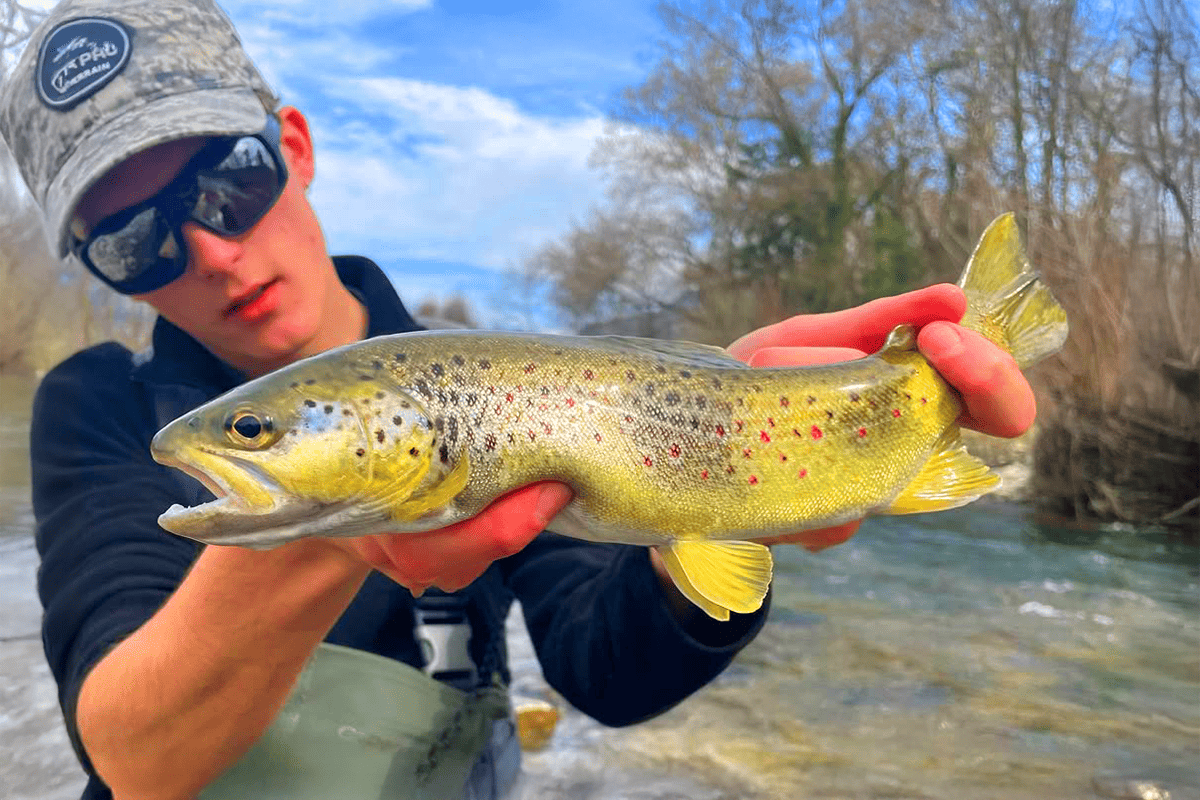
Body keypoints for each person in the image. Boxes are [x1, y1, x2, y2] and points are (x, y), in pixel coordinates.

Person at [0, 1, 1037, 799]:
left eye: (225, 182)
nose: (211, 251)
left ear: (296, 149)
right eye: (132, 241)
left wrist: (718, 487)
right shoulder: (101, 406)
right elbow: (134, 755)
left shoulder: (507, 380)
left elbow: (603, 668)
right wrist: (341, 533)